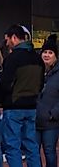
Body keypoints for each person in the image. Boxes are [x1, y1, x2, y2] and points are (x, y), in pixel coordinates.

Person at [0, 24, 44, 167]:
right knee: (31, 146)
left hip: (13, 107)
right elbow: (41, 84)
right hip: (31, 107)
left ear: (14, 38)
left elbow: (5, 84)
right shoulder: (38, 59)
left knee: (12, 146)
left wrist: (0, 101)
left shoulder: (12, 58)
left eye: (7, 40)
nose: (6, 43)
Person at [37, 35, 59, 167]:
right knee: (33, 152)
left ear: (55, 56)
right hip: (34, 120)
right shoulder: (36, 71)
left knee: (49, 152)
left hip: (51, 122)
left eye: (50, 52)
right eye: (44, 52)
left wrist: (54, 113)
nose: (46, 55)